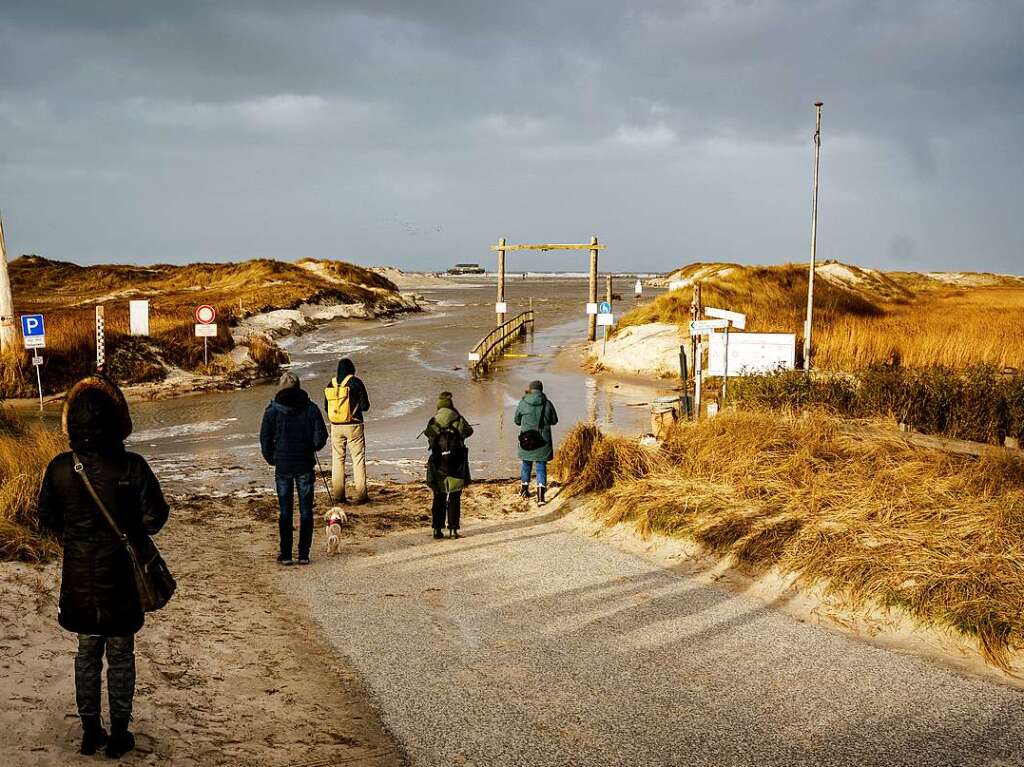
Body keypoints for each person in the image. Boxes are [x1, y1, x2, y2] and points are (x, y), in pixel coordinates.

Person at [38, 375, 170, 759]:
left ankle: (90, 730)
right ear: (115, 420)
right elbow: (154, 519)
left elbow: (46, 518)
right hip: (121, 579)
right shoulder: (132, 466)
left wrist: (76, 537)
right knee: (121, 653)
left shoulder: (60, 468)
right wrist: (127, 529)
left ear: (73, 424)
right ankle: (120, 733)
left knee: (86, 651)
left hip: (78, 575)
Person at [260, 372, 329, 565]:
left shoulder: (271, 411)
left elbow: (265, 439)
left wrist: (272, 458)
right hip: (304, 463)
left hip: (283, 464)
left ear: (281, 388)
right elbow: (321, 436)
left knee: (285, 511)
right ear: (298, 386)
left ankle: (286, 554)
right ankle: (304, 554)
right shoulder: (310, 408)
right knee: (306, 510)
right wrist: (312, 446)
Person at [423, 391, 474, 539]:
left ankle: (437, 529)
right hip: (456, 464)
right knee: (454, 497)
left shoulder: (433, 421)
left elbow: (429, 436)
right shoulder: (458, 418)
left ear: (439, 405)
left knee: (439, 496)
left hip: (438, 465)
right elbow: (469, 431)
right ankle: (453, 530)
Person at [323, 357, 370, 504]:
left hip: (335, 426)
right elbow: (365, 406)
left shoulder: (331, 383)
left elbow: (326, 407)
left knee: (337, 460)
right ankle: (361, 495)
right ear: (352, 369)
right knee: (357, 459)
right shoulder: (355, 382)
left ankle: (338, 495)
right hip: (354, 425)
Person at [515, 380, 559, 505]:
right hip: (542, 442)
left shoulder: (523, 403)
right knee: (541, 467)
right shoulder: (547, 403)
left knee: (526, 465)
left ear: (530, 389)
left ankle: (524, 491)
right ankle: (540, 498)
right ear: (541, 390)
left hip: (526, 441)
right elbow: (554, 420)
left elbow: (516, 420)